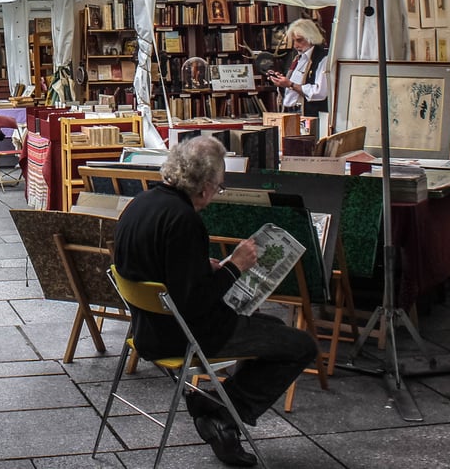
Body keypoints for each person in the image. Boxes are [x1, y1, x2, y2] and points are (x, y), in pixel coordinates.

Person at [113, 136, 316, 467]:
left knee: (273, 328)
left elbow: (160, 270)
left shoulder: (142, 203)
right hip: (184, 335)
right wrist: (235, 265)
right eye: (219, 187)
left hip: (146, 328)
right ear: (205, 186)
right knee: (301, 345)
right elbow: (195, 302)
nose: (217, 194)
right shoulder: (184, 219)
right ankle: (220, 414)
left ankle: (220, 414)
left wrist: (199, 266)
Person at [266, 18, 329, 118]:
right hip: (291, 112)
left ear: (311, 37)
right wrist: (281, 81)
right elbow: (290, 90)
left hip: (310, 114)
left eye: (299, 40)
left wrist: (290, 84)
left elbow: (319, 92)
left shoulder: (323, 58)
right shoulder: (297, 58)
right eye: (293, 41)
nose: (295, 45)